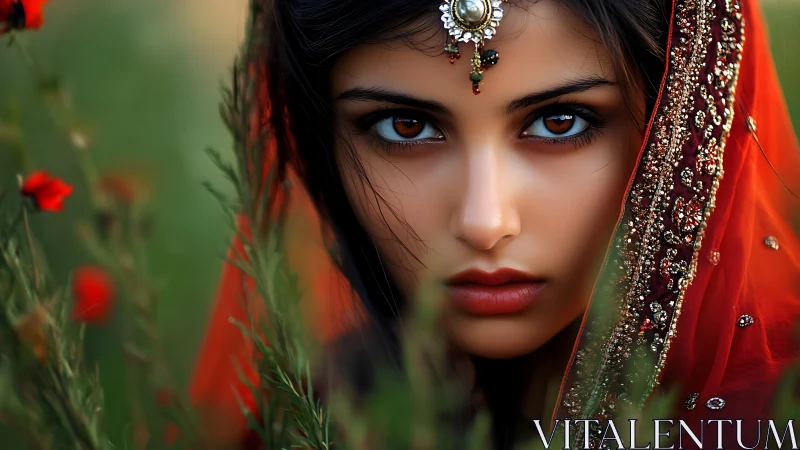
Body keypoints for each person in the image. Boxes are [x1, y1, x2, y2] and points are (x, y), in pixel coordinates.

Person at [189, 0, 800, 448]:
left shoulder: (770, 416)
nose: (485, 223)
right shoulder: (314, 420)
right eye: (406, 127)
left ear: (684, 122)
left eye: (560, 122)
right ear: (321, 144)